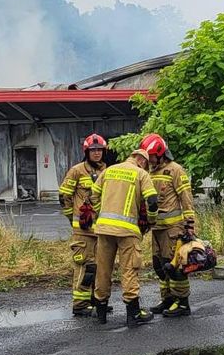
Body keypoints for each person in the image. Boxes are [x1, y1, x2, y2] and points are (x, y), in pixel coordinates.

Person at [90, 148, 158, 326]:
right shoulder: (141, 174)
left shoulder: (109, 170)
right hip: (127, 231)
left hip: (104, 229)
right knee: (130, 269)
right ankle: (133, 313)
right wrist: (151, 220)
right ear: (142, 161)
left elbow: (93, 195)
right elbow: (152, 200)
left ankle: (101, 312)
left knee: (103, 270)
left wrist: (101, 214)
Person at [140, 133, 197, 317]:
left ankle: (182, 303)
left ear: (161, 153)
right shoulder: (150, 172)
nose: (150, 161)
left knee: (175, 266)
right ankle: (168, 298)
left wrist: (189, 224)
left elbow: (186, 198)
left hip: (173, 229)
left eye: (153, 157)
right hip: (156, 229)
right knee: (159, 266)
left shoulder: (175, 170)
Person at [58, 133, 107, 316]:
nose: (97, 153)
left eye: (99, 150)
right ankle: (80, 303)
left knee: (99, 266)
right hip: (83, 231)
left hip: (101, 229)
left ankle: (95, 300)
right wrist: (72, 217)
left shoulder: (107, 171)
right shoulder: (77, 171)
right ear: (87, 152)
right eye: (93, 150)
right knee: (85, 266)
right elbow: (64, 196)